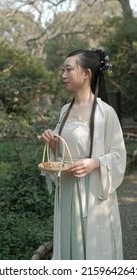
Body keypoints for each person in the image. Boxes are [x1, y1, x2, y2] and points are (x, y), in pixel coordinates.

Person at [38, 49, 126, 260]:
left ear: (86, 73)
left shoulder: (106, 113)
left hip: (93, 192)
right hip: (68, 190)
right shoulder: (65, 110)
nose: (63, 75)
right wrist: (52, 144)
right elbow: (63, 152)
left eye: (69, 69)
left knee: (94, 250)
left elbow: (118, 155)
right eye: (63, 70)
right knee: (69, 244)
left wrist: (95, 163)